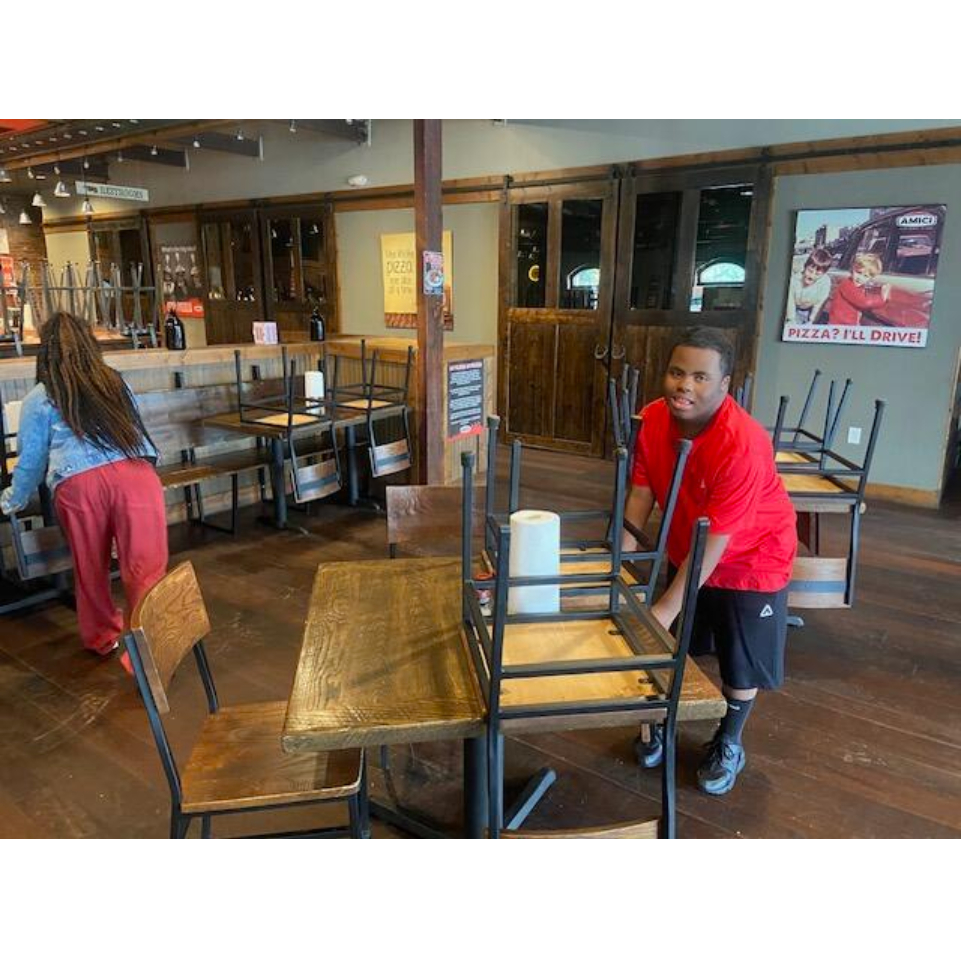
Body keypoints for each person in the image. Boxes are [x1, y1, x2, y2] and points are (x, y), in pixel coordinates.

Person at [622, 327, 797, 796]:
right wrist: (618, 562)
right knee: (678, 648)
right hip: (687, 545)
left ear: (725, 384)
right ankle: (662, 719)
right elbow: (641, 492)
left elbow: (717, 542)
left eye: (700, 376)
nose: (685, 385)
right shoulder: (655, 418)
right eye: (677, 372)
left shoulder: (743, 444)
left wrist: (664, 606)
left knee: (738, 664)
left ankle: (729, 740)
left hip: (751, 559)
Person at [0, 312, 167, 672]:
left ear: (45, 353)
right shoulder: (113, 381)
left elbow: (30, 462)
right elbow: (136, 427)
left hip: (80, 485)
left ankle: (103, 637)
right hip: (136, 474)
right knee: (146, 568)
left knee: (90, 568)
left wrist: (11, 500)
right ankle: (148, 645)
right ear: (91, 346)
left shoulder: (39, 398)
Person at [828, 251, 891, 326]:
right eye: (859, 272)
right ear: (852, 269)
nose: (860, 278)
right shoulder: (847, 284)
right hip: (839, 325)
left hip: (848, 324)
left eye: (866, 276)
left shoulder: (858, 287)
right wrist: (882, 298)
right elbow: (864, 302)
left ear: (871, 278)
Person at [785, 247, 833, 324]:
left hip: (811, 308)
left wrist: (812, 321)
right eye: (810, 271)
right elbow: (790, 301)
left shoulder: (825, 282)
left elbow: (820, 304)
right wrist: (791, 318)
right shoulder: (794, 279)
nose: (812, 276)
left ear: (823, 274)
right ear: (805, 267)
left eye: (817, 274)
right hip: (795, 307)